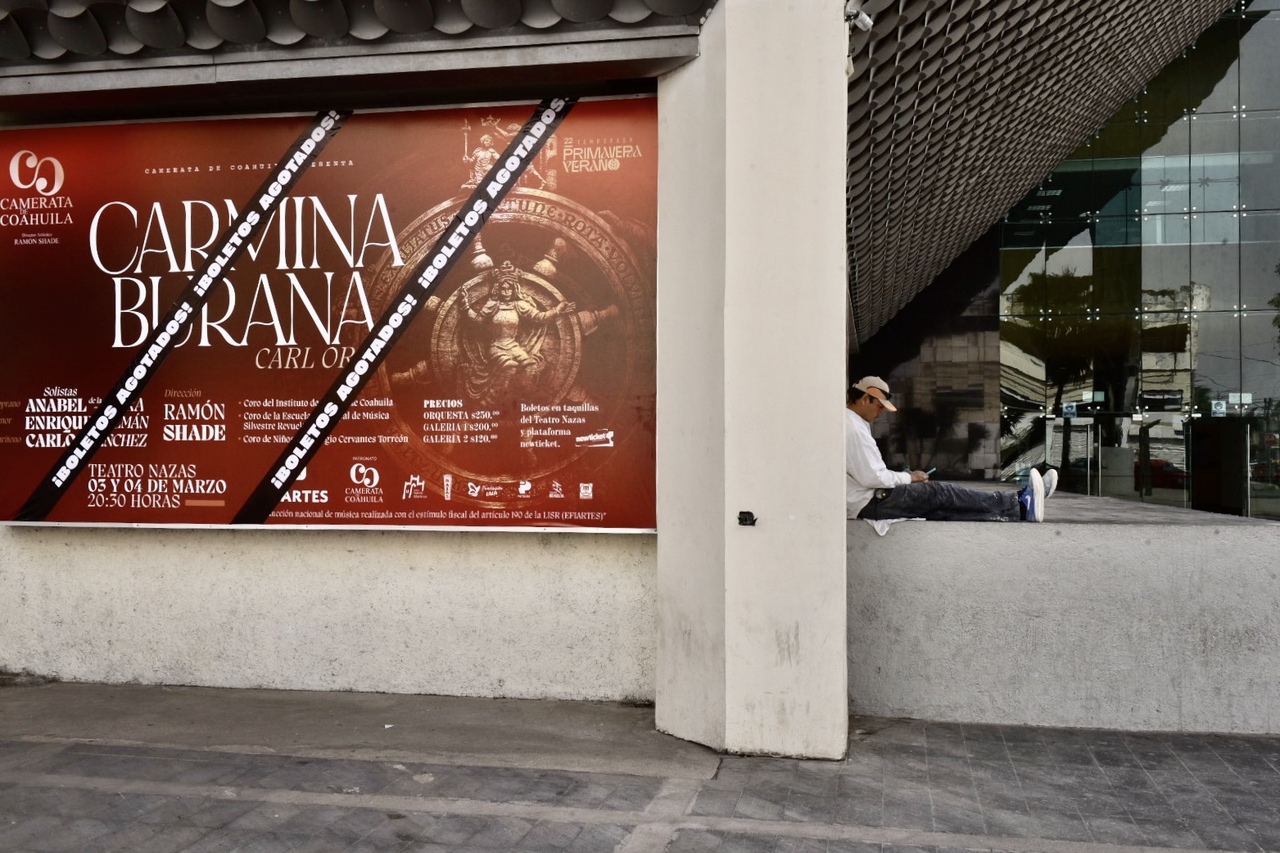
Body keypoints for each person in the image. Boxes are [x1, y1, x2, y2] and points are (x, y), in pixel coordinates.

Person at [845, 376, 1058, 523]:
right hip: (871, 500)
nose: (881, 413)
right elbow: (873, 477)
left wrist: (906, 478)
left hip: (866, 502)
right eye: (879, 406)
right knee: (941, 493)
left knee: (942, 509)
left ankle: (1021, 510)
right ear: (865, 399)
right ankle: (1017, 501)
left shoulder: (852, 423)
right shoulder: (853, 428)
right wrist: (908, 478)